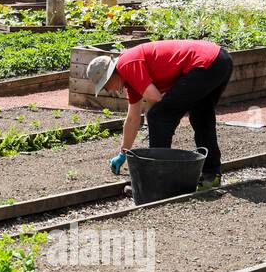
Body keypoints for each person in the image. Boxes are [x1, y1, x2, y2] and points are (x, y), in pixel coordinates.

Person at [85, 39, 233, 188]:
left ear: (111, 75)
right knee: (201, 117)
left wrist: (156, 130)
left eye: (105, 86)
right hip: (219, 60)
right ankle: (211, 175)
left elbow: (155, 99)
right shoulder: (130, 79)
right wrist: (123, 153)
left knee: (158, 117)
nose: (108, 90)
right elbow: (132, 119)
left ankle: (158, 180)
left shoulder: (127, 64)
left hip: (205, 62)